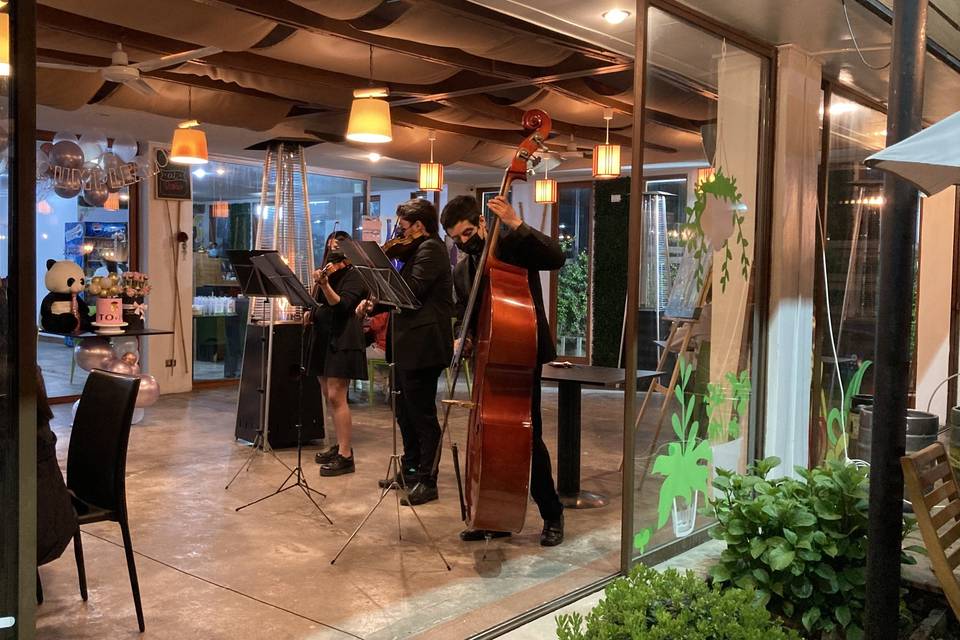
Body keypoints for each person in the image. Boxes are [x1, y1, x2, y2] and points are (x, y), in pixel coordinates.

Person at [441, 194, 566, 547]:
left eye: (467, 233)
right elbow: (463, 311)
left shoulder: (511, 247)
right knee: (490, 441)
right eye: (456, 239)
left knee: (528, 439)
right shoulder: (462, 270)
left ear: (481, 222)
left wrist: (514, 221)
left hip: (520, 355)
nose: (464, 243)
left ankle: (552, 512)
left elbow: (556, 257)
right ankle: (492, 516)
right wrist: (460, 338)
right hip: (487, 362)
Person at [357, 199, 453, 505]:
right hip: (407, 343)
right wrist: (374, 303)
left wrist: (381, 277)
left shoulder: (431, 250)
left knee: (422, 414)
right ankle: (410, 469)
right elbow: (400, 295)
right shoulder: (415, 250)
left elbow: (411, 292)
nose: (398, 232)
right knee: (403, 411)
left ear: (419, 226)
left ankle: (428, 479)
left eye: (402, 227)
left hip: (424, 346)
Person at [308, 231, 369, 476]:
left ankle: (346, 454)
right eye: (330, 248)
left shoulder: (356, 275)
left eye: (338, 249)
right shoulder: (329, 272)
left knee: (337, 395)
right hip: (324, 336)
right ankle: (339, 445)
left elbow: (342, 306)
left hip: (343, 338)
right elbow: (320, 304)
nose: (333, 255)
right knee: (327, 394)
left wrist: (324, 284)